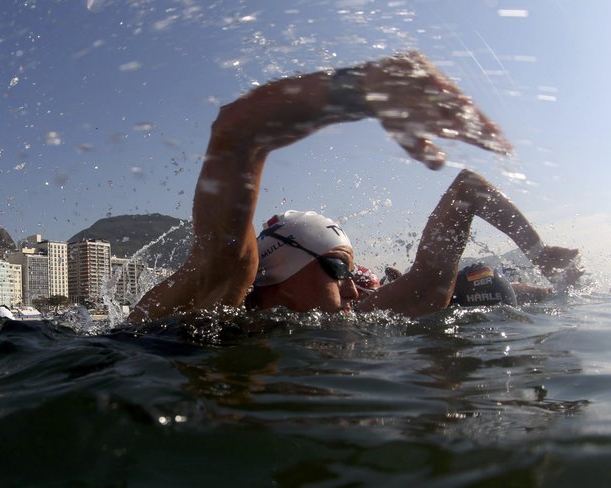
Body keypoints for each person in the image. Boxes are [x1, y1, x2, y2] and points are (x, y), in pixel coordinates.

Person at [128, 51, 576, 323]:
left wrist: (538, 255)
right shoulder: (214, 298)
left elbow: (467, 189)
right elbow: (237, 130)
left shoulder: (351, 319)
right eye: (340, 272)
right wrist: (363, 89)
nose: (357, 289)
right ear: (281, 270)